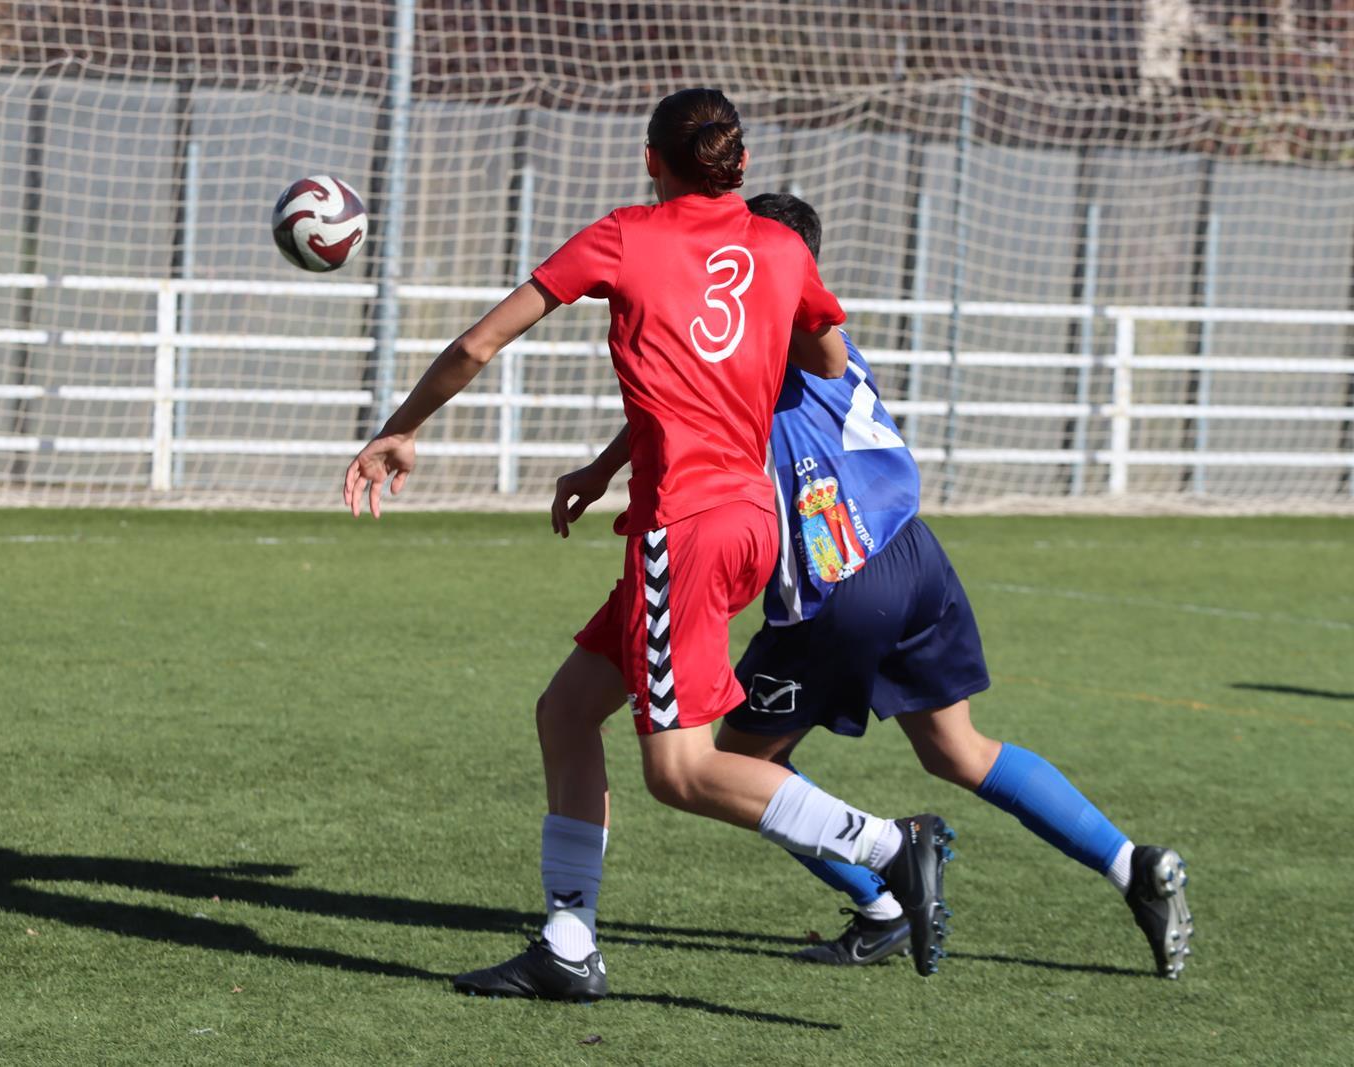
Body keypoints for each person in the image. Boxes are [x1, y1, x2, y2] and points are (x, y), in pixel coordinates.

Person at [344, 90, 955, 1001]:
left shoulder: (625, 236)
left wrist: (400, 428)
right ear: (741, 165)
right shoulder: (782, 248)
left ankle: (888, 845)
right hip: (749, 521)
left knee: (679, 771)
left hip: (687, 528)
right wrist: (657, 421)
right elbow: (828, 359)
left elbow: (477, 345)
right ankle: (568, 942)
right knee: (566, 711)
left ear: (650, 160)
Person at [554, 192, 1194, 980]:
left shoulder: (764, 332)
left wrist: (605, 468)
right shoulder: (825, 340)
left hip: (839, 577)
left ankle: (885, 894)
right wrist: (603, 467)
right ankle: (1133, 864)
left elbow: (698, 392)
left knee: (739, 759)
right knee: (959, 748)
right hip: (914, 555)